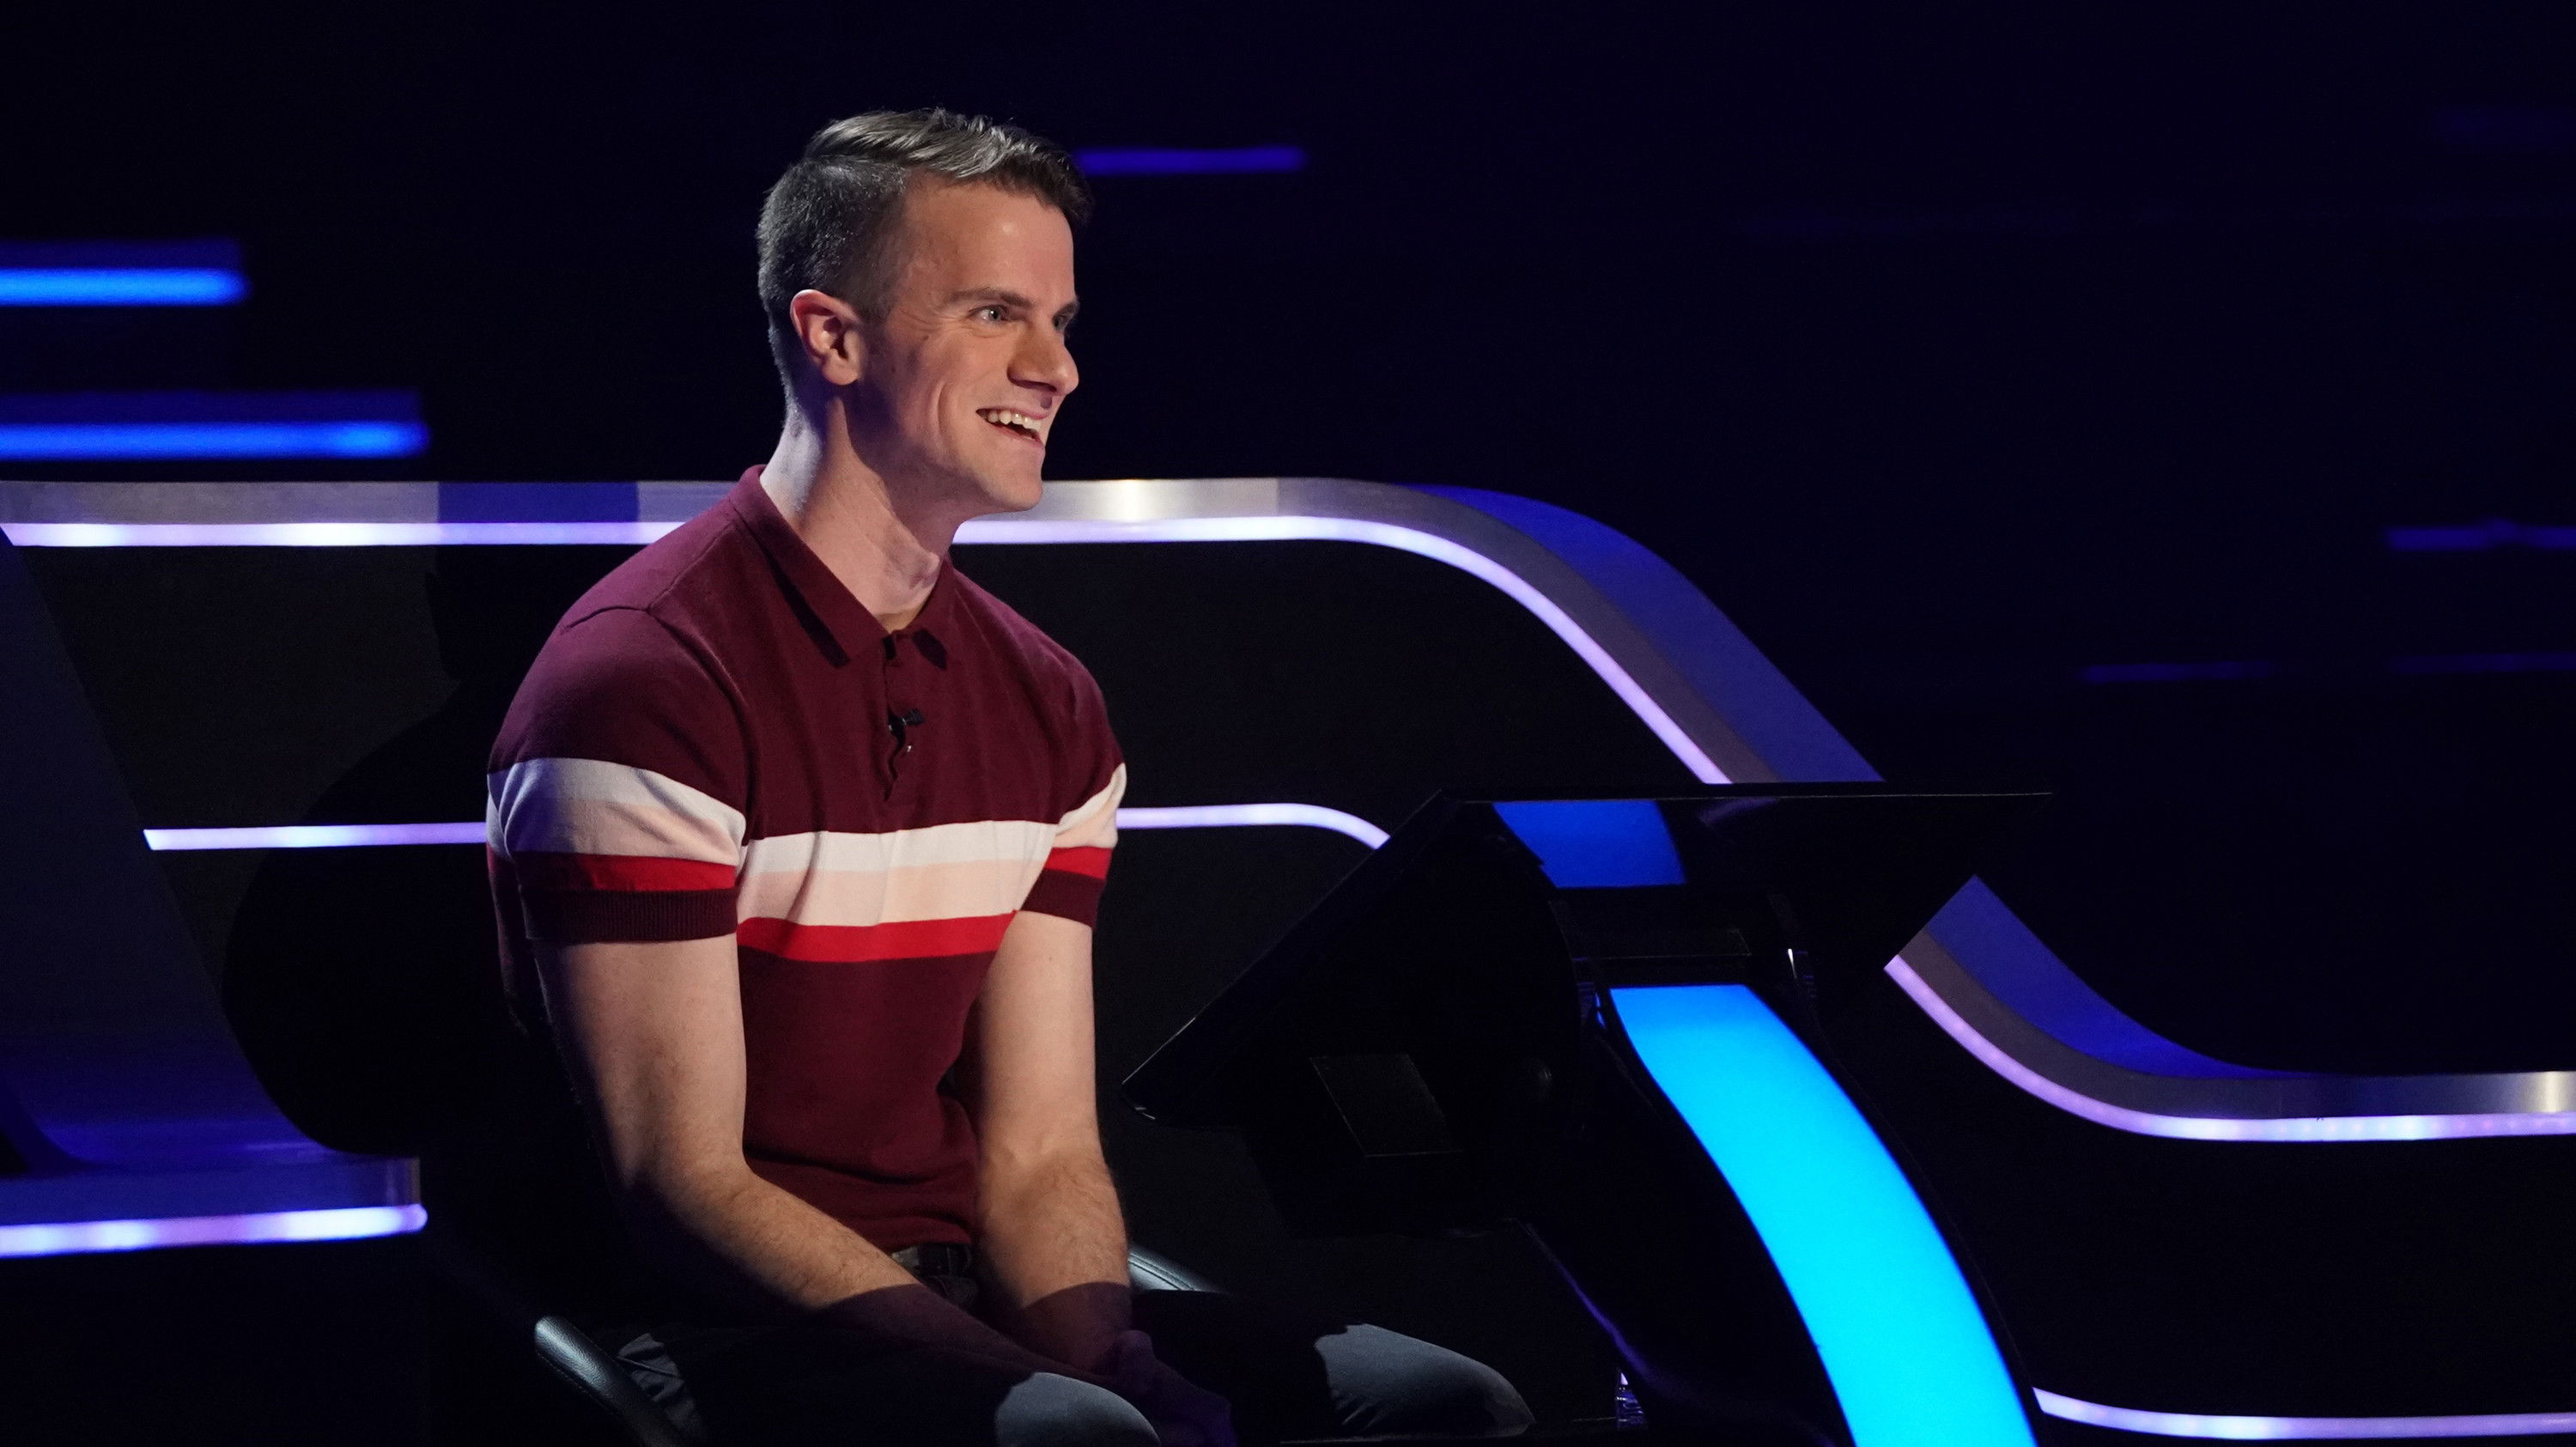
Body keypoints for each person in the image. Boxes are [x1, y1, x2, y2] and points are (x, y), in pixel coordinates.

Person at [474, 108, 1534, 1446]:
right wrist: (1066, 1392)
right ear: (833, 336)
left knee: (1449, 1406)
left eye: (1062, 322)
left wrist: (1110, 1361)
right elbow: (683, 1189)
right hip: (720, 1328)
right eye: (994, 314)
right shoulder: (643, 682)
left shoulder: (1049, 700)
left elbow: (1039, 1152)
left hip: (962, 1291)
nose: (1057, 369)